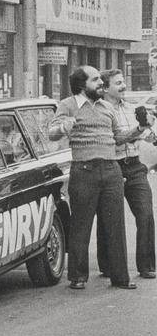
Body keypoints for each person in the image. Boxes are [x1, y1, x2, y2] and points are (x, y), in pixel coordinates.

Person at [48, 66, 142, 290]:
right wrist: (64, 125)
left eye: (101, 79)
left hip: (111, 169)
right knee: (81, 224)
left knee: (115, 224)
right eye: (96, 79)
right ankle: (78, 277)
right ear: (82, 85)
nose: (101, 83)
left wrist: (140, 128)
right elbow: (51, 133)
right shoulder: (68, 105)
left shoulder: (107, 107)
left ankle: (120, 278)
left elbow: (118, 137)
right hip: (84, 170)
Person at [99, 69, 156, 279]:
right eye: (118, 83)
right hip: (111, 165)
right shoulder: (102, 111)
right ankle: (107, 265)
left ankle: (147, 265)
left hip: (134, 165)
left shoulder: (131, 109)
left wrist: (148, 128)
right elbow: (113, 138)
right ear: (105, 88)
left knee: (145, 213)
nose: (123, 86)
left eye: (123, 82)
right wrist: (136, 132)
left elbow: (147, 135)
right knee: (109, 217)